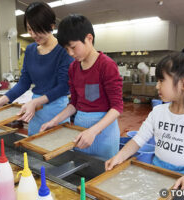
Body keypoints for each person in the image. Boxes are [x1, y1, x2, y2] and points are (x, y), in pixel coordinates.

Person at [40, 14, 123, 160]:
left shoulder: (106, 65)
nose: (71, 53)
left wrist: (93, 131)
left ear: (89, 39)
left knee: (101, 174)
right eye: (66, 49)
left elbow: (117, 108)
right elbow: (75, 104)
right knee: (81, 175)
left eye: (73, 47)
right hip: (79, 131)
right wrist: (54, 120)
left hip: (104, 134)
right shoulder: (73, 68)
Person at [0, 2, 73, 135]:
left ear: (51, 26)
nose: (33, 34)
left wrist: (35, 102)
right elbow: (24, 83)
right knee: (34, 152)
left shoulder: (63, 50)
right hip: (35, 111)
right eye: (29, 29)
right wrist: (0, 101)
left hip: (56, 112)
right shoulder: (30, 50)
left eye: (38, 29)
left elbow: (63, 87)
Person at [105, 49, 184, 190]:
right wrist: (120, 156)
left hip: (182, 184)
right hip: (156, 174)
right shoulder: (158, 112)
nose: (157, 86)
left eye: (162, 81)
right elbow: (138, 140)